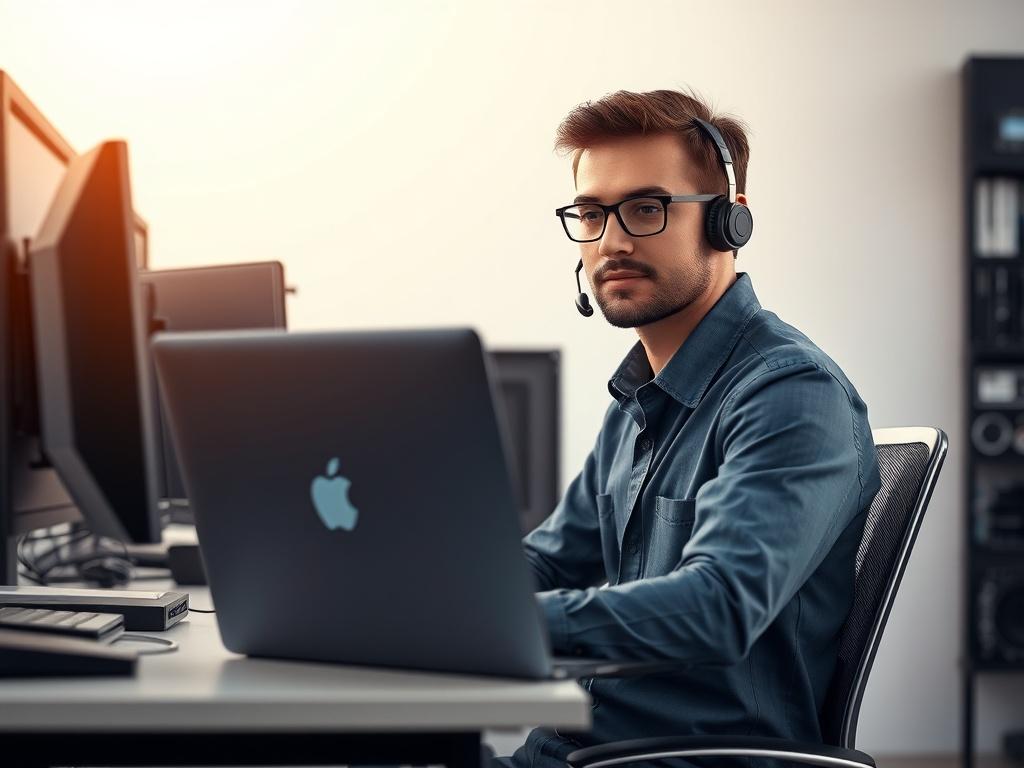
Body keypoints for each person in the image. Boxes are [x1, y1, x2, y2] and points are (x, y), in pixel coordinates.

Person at [491, 89, 882, 768]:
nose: (610, 240)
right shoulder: (639, 401)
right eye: (590, 213)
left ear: (729, 222)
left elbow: (718, 605)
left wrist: (486, 624)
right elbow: (551, 560)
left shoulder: (791, 395)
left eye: (646, 208)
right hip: (573, 753)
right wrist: (428, 600)